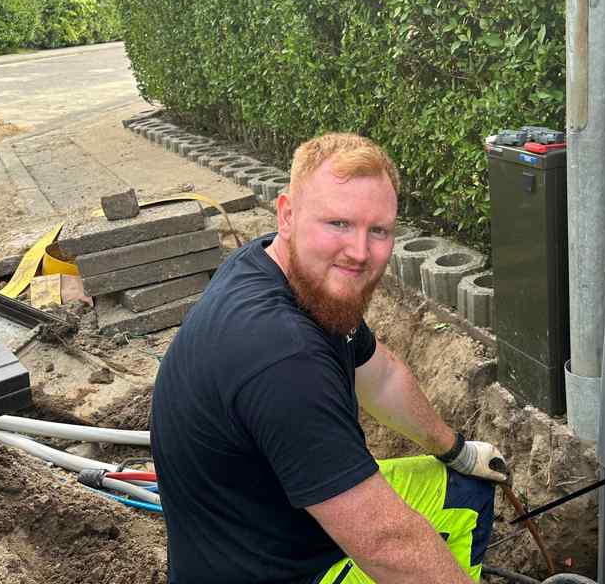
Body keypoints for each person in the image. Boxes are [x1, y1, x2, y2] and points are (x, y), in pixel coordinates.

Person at [151, 132, 508, 584]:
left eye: (378, 230)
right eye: (338, 223)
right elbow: (387, 544)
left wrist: (456, 451)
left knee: (464, 492)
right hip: (281, 571)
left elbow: (380, 377)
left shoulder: (285, 272)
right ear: (287, 215)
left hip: (275, 524)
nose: (359, 252)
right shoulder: (284, 358)